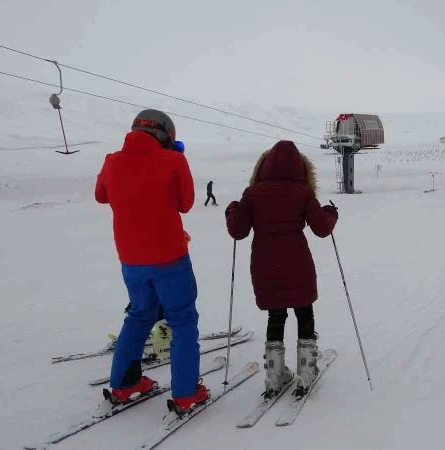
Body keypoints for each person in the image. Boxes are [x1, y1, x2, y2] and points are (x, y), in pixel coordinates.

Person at [95, 109, 206, 413]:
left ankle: (124, 383)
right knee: (182, 320)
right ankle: (186, 393)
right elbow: (186, 203)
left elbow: (101, 195)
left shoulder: (112, 161)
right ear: (166, 135)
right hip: (170, 257)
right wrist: (173, 161)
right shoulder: (173, 161)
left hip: (131, 260)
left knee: (139, 316)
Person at [225, 140, 338, 398]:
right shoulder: (303, 193)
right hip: (298, 263)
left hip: (265, 265)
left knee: (275, 316)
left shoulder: (252, 194)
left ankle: (275, 377)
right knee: (304, 313)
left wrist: (232, 211)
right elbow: (322, 228)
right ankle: (306, 372)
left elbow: (237, 231)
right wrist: (331, 213)